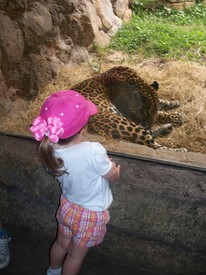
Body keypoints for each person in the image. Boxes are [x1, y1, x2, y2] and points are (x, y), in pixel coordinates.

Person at [30, 90, 120, 275]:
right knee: (75, 256)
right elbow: (111, 176)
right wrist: (114, 169)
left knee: (61, 244)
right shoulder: (93, 151)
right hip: (90, 214)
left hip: (67, 207)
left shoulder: (48, 150)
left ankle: (52, 271)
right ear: (83, 128)